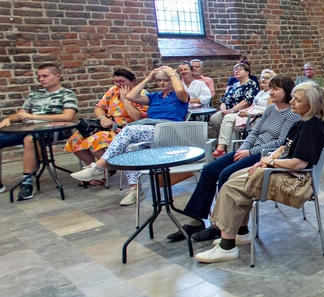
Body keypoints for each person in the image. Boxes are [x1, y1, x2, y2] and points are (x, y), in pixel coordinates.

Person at [194, 82, 324, 263]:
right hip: (284, 170)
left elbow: (298, 164)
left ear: (311, 105)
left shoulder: (312, 127)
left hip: (296, 180)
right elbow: (284, 146)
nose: (292, 103)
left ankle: (227, 247)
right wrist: (264, 161)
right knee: (235, 176)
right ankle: (241, 232)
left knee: (232, 187)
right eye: (293, 99)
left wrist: (270, 162)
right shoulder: (303, 121)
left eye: (297, 100)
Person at [167, 75, 301, 243]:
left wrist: (250, 152)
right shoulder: (269, 110)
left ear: (287, 91)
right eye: (270, 88)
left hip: (263, 155)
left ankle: (220, 225)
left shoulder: (292, 115)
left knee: (226, 174)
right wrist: (244, 148)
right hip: (248, 150)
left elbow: (280, 143)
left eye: (275, 89)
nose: (270, 92)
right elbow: (253, 132)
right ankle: (194, 221)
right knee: (209, 170)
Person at [71, 66, 190, 206]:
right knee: (129, 149)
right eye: (159, 81)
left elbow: (180, 90)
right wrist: (148, 78)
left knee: (128, 130)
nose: (162, 83)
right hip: (151, 132)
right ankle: (135, 189)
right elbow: (130, 96)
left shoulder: (180, 96)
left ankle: (99, 167)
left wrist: (172, 73)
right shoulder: (154, 97)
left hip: (169, 131)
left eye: (166, 80)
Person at [0, 63, 78, 200]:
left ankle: (27, 183)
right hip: (29, 128)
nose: (41, 79)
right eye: (39, 77)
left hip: (54, 130)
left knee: (31, 139)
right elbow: (21, 113)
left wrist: (34, 116)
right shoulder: (34, 95)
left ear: (57, 76)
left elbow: (68, 116)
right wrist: (9, 119)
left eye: (45, 76)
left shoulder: (66, 94)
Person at [64, 68, 146, 184]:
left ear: (133, 81)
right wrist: (103, 118)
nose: (118, 84)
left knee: (95, 140)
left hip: (126, 131)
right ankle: (93, 170)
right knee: (75, 140)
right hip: (108, 127)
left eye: (122, 81)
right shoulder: (112, 91)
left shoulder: (141, 95)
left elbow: (138, 118)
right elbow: (99, 107)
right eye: (116, 81)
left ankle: (105, 170)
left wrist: (125, 99)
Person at [214, 68, 276, 153]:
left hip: (258, 117)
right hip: (250, 113)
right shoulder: (260, 93)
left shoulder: (271, 94)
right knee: (229, 120)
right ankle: (229, 150)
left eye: (267, 78)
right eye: (262, 77)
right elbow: (252, 106)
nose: (263, 79)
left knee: (229, 119)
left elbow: (268, 111)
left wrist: (249, 114)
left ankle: (223, 148)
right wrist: (243, 111)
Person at [211, 62, 260, 156]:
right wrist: (223, 109)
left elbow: (247, 101)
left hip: (240, 111)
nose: (237, 71)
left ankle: (222, 147)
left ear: (247, 72)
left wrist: (231, 110)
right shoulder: (234, 85)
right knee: (214, 119)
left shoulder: (251, 84)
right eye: (235, 70)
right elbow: (224, 99)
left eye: (240, 69)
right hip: (227, 110)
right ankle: (226, 143)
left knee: (228, 119)